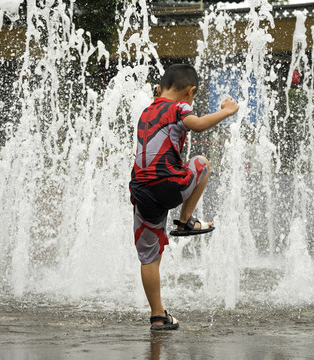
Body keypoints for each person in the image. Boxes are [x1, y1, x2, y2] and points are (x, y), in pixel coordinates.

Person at [129, 64, 239, 330]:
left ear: (159, 89)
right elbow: (198, 125)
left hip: (141, 191)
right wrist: (226, 112)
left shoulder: (146, 111)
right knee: (202, 162)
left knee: (149, 257)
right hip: (168, 185)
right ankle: (185, 221)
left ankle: (158, 316)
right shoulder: (179, 107)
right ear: (191, 92)